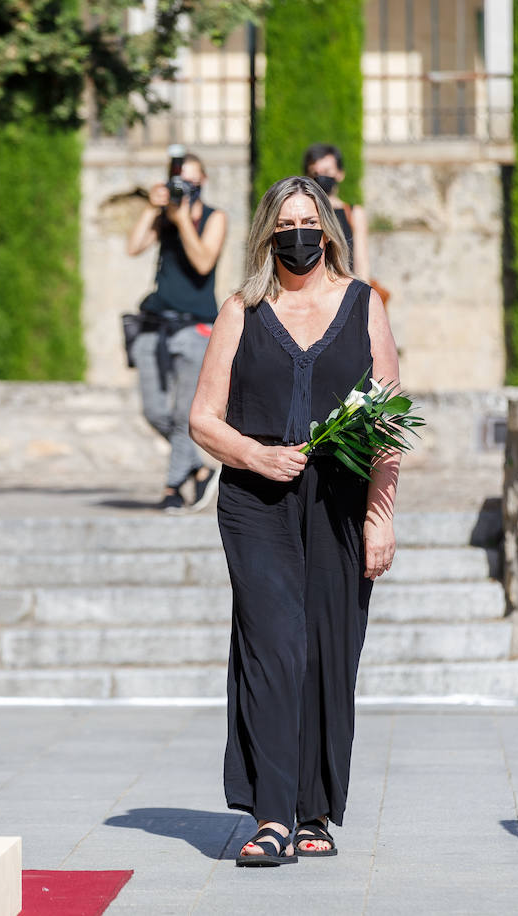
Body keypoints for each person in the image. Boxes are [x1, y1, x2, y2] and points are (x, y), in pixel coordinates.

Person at [188, 176, 399, 866]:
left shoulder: (364, 304)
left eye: (309, 221)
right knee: (273, 651)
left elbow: (389, 423)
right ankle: (272, 816)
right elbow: (202, 418)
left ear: (328, 230)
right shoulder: (240, 309)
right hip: (256, 505)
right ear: (266, 234)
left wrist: (379, 518)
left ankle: (316, 809)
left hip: (339, 501)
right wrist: (255, 454)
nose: (298, 234)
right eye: (285, 223)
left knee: (328, 654)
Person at [126, 151, 228, 511]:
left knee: (187, 413)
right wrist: (153, 209)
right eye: (178, 179)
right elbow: (133, 246)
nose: (185, 185)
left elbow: (203, 262)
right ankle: (198, 470)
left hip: (195, 325)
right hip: (156, 324)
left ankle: (172, 488)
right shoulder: (164, 217)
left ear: (203, 181)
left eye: (191, 178)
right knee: (154, 410)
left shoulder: (215, 218)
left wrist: (183, 220)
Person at [303, 143, 369, 279]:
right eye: (315, 173)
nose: (320, 177)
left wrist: (363, 296)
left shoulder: (353, 213)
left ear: (340, 174)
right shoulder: (302, 213)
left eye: (327, 172)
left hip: (345, 291)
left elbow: (361, 261)